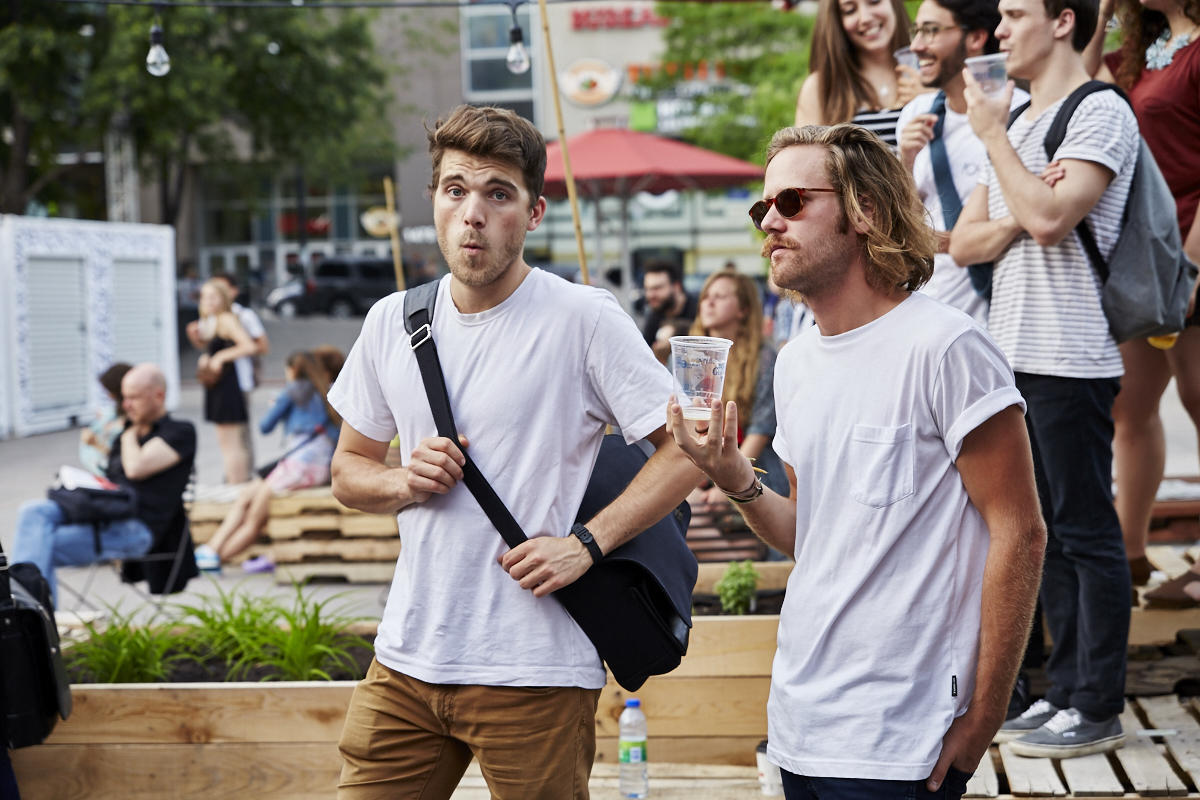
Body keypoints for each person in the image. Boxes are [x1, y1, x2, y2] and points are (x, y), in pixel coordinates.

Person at [327, 105, 700, 799]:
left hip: (535, 669)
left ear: (533, 213)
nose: (473, 212)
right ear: (435, 199)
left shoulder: (584, 318)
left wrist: (586, 544)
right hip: (407, 660)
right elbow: (348, 472)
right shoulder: (391, 320)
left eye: (498, 193)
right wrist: (404, 483)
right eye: (456, 189)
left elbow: (686, 453)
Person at [671, 122, 1044, 798]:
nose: (770, 223)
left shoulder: (947, 348)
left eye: (792, 203)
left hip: (902, 741)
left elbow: (1020, 534)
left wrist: (985, 716)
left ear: (865, 210)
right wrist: (731, 475)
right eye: (763, 208)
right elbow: (807, 538)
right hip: (799, 724)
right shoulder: (795, 365)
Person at [949, 0, 1138, 756]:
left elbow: (1055, 220)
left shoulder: (1100, 112)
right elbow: (964, 242)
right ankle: (1063, 690)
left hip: (1073, 351)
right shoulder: (1024, 120)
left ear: (1063, 21)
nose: (998, 31)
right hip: (1016, 355)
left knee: (1089, 534)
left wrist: (997, 146)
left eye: (1014, 13)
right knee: (1045, 533)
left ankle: (1098, 701)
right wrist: (1022, 199)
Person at [1080, 0, 1200, 603]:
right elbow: (1075, 88)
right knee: (1131, 405)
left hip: (1189, 253)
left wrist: (1192, 268)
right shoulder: (1135, 56)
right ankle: (1129, 559)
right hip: (1143, 259)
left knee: (1199, 397)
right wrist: (1100, 17)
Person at [11, 364, 197, 605]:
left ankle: (28, 620)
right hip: (106, 514)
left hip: (136, 530)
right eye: (124, 397)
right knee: (32, 511)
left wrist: (129, 433)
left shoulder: (180, 432)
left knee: (38, 545)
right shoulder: (124, 436)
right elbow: (112, 478)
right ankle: (29, 617)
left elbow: (136, 468)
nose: (125, 405)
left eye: (133, 398)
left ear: (159, 396)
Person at [896, 0, 1030, 323]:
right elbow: (901, 229)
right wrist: (906, 161)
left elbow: (1027, 217)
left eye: (931, 31)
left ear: (976, 38)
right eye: (916, 31)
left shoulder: (1022, 114)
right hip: (926, 307)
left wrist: (946, 241)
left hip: (1001, 317)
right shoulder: (915, 114)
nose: (916, 46)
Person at [194, 349, 343, 573]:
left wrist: (276, 405)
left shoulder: (292, 391)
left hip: (297, 467)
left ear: (293, 370)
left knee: (255, 513)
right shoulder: (330, 392)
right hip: (319, 469)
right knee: (249, 493)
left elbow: (265, 427)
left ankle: (214, 556)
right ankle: (211, 551)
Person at [688, 270, 788, 500]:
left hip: (756, 480)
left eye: (720, 296)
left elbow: (760, 432)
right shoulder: (686, 359)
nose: (709, 302)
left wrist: (726, 488)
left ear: (743, 309)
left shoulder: (764, 359)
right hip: (700, 479)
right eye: (705, 296)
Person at [795, 0, 926, 145]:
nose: (865, 18)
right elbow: (804, 161)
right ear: (837, 20)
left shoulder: (930, 70)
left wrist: (932, 101)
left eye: (874, 2)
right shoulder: (821, 86)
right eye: (850, 10)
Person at [194, 279, 258, 484]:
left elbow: (249, 346)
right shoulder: (212, 321)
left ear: (223, 298)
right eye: (204, 296)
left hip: (228, 386)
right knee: (226, 442)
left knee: (231, 443)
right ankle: (234, 482)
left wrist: (220, 357)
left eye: (213, 296)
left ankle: (236, 485)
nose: (208, 301)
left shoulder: (226, 319)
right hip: (219, 386)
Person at [79, 363, 133, 477]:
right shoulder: (113, 414)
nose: (109, 396)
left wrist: (96, 444)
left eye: (110, 392)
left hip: (114, 476)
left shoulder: (129, 422)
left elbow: (125, 459)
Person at [640, 260, 697, 344]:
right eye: (647, 289)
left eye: (657, 288)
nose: (650, 295)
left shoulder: (699, 310)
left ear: (677, 286)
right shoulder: (654, 317)